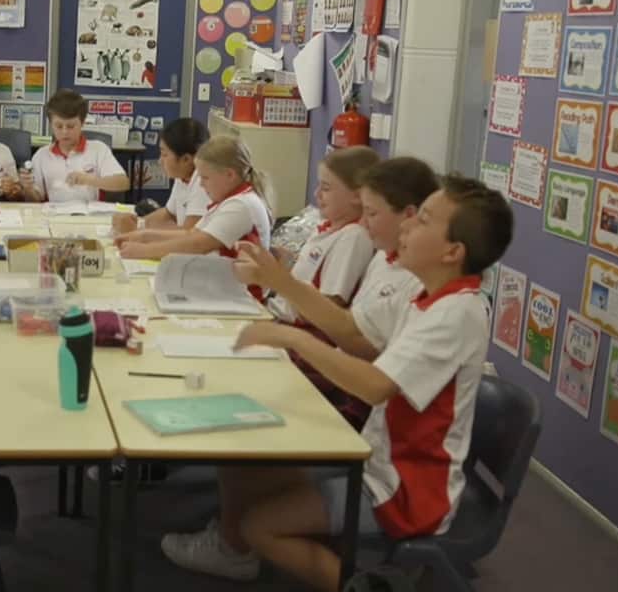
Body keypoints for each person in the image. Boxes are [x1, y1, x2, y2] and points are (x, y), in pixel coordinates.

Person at [169, 175, 514, 592]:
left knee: (258, 526)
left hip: (405, 490)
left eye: (423, 220)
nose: (407, 225)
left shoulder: (455, 314)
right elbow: (351, 332)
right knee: (250, 462)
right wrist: (280, 281)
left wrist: (293, 338)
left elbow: (374, 386)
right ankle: (235, 547)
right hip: (383, 460)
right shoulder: (430, 297)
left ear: (452, 252)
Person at [232, 156, 439, 428]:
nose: (364, 222)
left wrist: (291, 325)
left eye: (372, 214)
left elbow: (368, 360)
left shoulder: (428, 289)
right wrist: (276, 280)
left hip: (358, 402)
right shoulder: (383, 259)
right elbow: (349, 327)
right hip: (350, 388)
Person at [249, 146, 379, 325]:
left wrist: (271, 276)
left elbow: (329, 306)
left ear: (357, 196)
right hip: (276, 313)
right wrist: (284, 265)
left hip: (294, 328)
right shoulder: (327, 229)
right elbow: (305, 282)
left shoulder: (354, 237)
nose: (316, 193)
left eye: (326, 188)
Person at [114, 134, 271, 261]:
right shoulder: (228, 201)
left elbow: (199, 244)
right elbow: (190, 234)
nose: (201, 184)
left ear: (230, 175)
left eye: (205, 178)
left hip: (240, 289)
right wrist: (144, 235)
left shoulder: (241, 205)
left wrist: (145, 250)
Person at [22, 89, 128, 202]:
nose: (64, 132)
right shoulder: (41, 155)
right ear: (51, 124)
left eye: (71, 126)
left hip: (90, 211)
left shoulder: (98, 149)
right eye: (58, 126)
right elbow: (35, 200)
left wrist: (89, 180)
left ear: (82, 123)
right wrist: (28, 189)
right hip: (54, 212)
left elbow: (123, 183)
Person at [112, 117, 210, 234]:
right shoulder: (183, 176)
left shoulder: (203, 183)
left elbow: (188, 235)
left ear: (186, 159)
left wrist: (137, 230)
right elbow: (168, 213)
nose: (160, 161)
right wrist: (138, 222)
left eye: (164, 154)